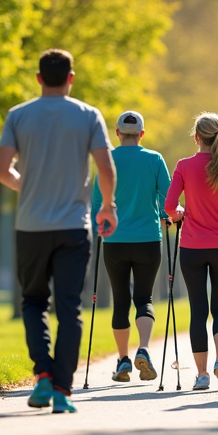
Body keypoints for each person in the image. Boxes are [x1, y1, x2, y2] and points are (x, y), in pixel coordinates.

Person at [0, 49, 117, 414]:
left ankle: (43, 375)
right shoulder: (88, 115)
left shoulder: (18, 115)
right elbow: (106, 168)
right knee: (70, 308)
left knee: (33, 302)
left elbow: (2, 170)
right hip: (73, 226)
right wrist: (107, 206)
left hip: (30, 226)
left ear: (38, 78)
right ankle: (62, 388)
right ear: (71, 78)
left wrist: (28, 186)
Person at [165, 112, 218, 391]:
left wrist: (180, 214)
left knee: (198, 311)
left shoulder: (184, 166)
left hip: (191, 247)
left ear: (196, 137)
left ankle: (202, 375)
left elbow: (169, 206)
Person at [91, 110, 171, 383]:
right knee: (144, 299)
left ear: (117, 133)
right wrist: (165, 215)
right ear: (142, 134)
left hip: (114, 240)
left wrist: (97, 227)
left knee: (120, 300)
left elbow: (95, 202)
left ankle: (123, 360)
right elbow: (167, 197)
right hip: (148, 238)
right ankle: (144, 349)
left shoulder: (107, 160)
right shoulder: (154, 159)